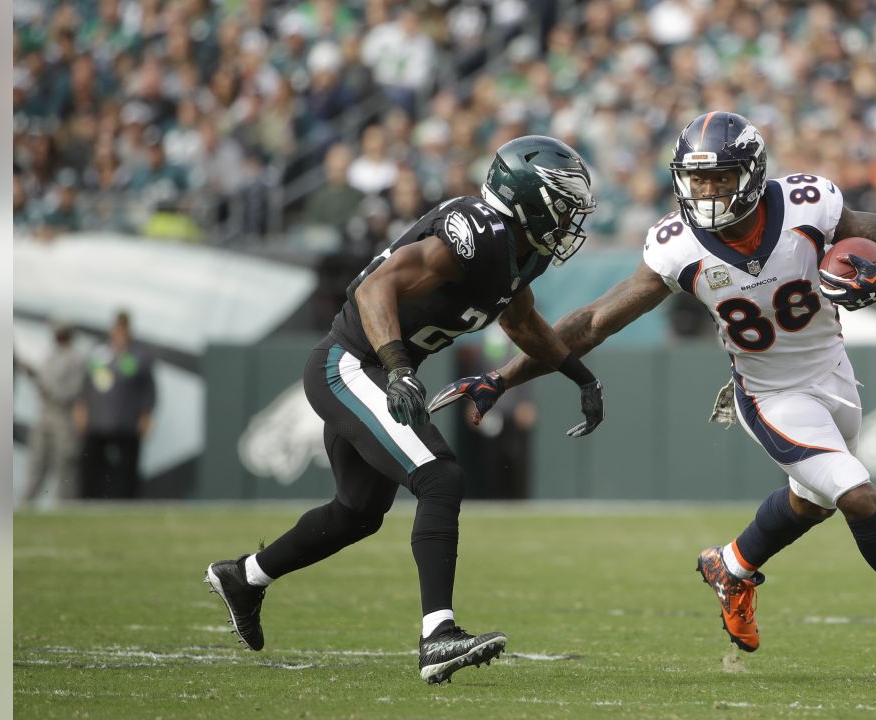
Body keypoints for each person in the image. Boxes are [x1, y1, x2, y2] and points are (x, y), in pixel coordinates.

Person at [430, 112, 876, 678]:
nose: (707, 191)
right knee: (857, 496)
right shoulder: (678, 245)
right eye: (697, 179)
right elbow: (594, 320)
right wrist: (503, 377)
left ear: (750, 174)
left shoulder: (806, 202)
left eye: (720, 178)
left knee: (811, 501)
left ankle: (731, 565)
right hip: (770, 394)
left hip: (835, 375)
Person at [204, 135, 604, 684]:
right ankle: (438, 635)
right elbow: (372, 289)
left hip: (373, 368)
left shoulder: (521, 251)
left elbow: (521, 322)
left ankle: (244, 578)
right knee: (440, 477)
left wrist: (579, 374)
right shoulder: (475, 231)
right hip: (350, 364)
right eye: (562, 204)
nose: (568, 220)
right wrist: (396, 367)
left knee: (357, 512)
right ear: (528, 198)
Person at [74, 310, 156, 499]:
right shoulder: (98, 353)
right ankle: (89, 501)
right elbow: (85, 384)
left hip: (127, 421)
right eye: (117, 328)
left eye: (123, 328)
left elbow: (149, 388)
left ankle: (127, 501)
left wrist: (146, 415)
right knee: (91, 464)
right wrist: (80, 409)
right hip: (98, 421)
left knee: (128, 466)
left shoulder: (139, 355)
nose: (119, 332)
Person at [15, 320, 84, 504]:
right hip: (44, 416)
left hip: (63, 418)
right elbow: (42, 381)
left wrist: (46, 386)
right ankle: (26, 504)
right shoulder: (50, 356)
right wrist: (31, 373)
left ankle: (64, 506)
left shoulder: (76, 358)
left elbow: (70, 391)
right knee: (37, 462)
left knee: (64, 465)